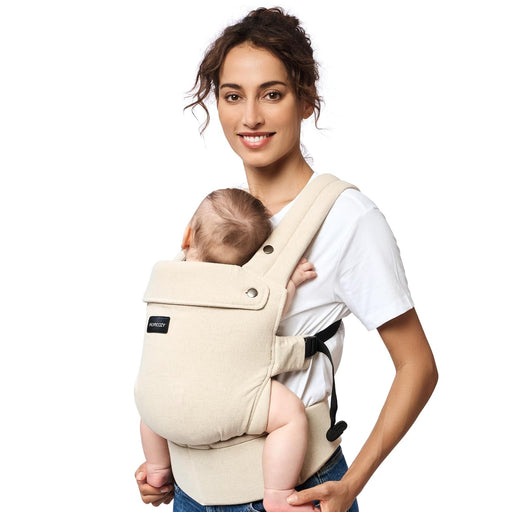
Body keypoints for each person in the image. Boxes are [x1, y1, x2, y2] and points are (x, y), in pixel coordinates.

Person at [135, 7, 438, 512]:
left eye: (272, 94)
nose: (250, 117)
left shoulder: (346, 219)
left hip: (292, 496)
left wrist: (352, 483)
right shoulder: (218, 216)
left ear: (306, 100)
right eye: (233, 96)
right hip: (188, 494)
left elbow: (417, 366)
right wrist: (158, 463)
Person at [139, 187, 318, 512]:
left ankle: (157, 469)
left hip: (160, 408)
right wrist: (289, 282)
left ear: (187, 235)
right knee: (291, 416)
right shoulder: (250, 294)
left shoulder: (164, 281)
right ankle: (278, 492)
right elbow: (276, 308)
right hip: (227, 403)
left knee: (152, 400)